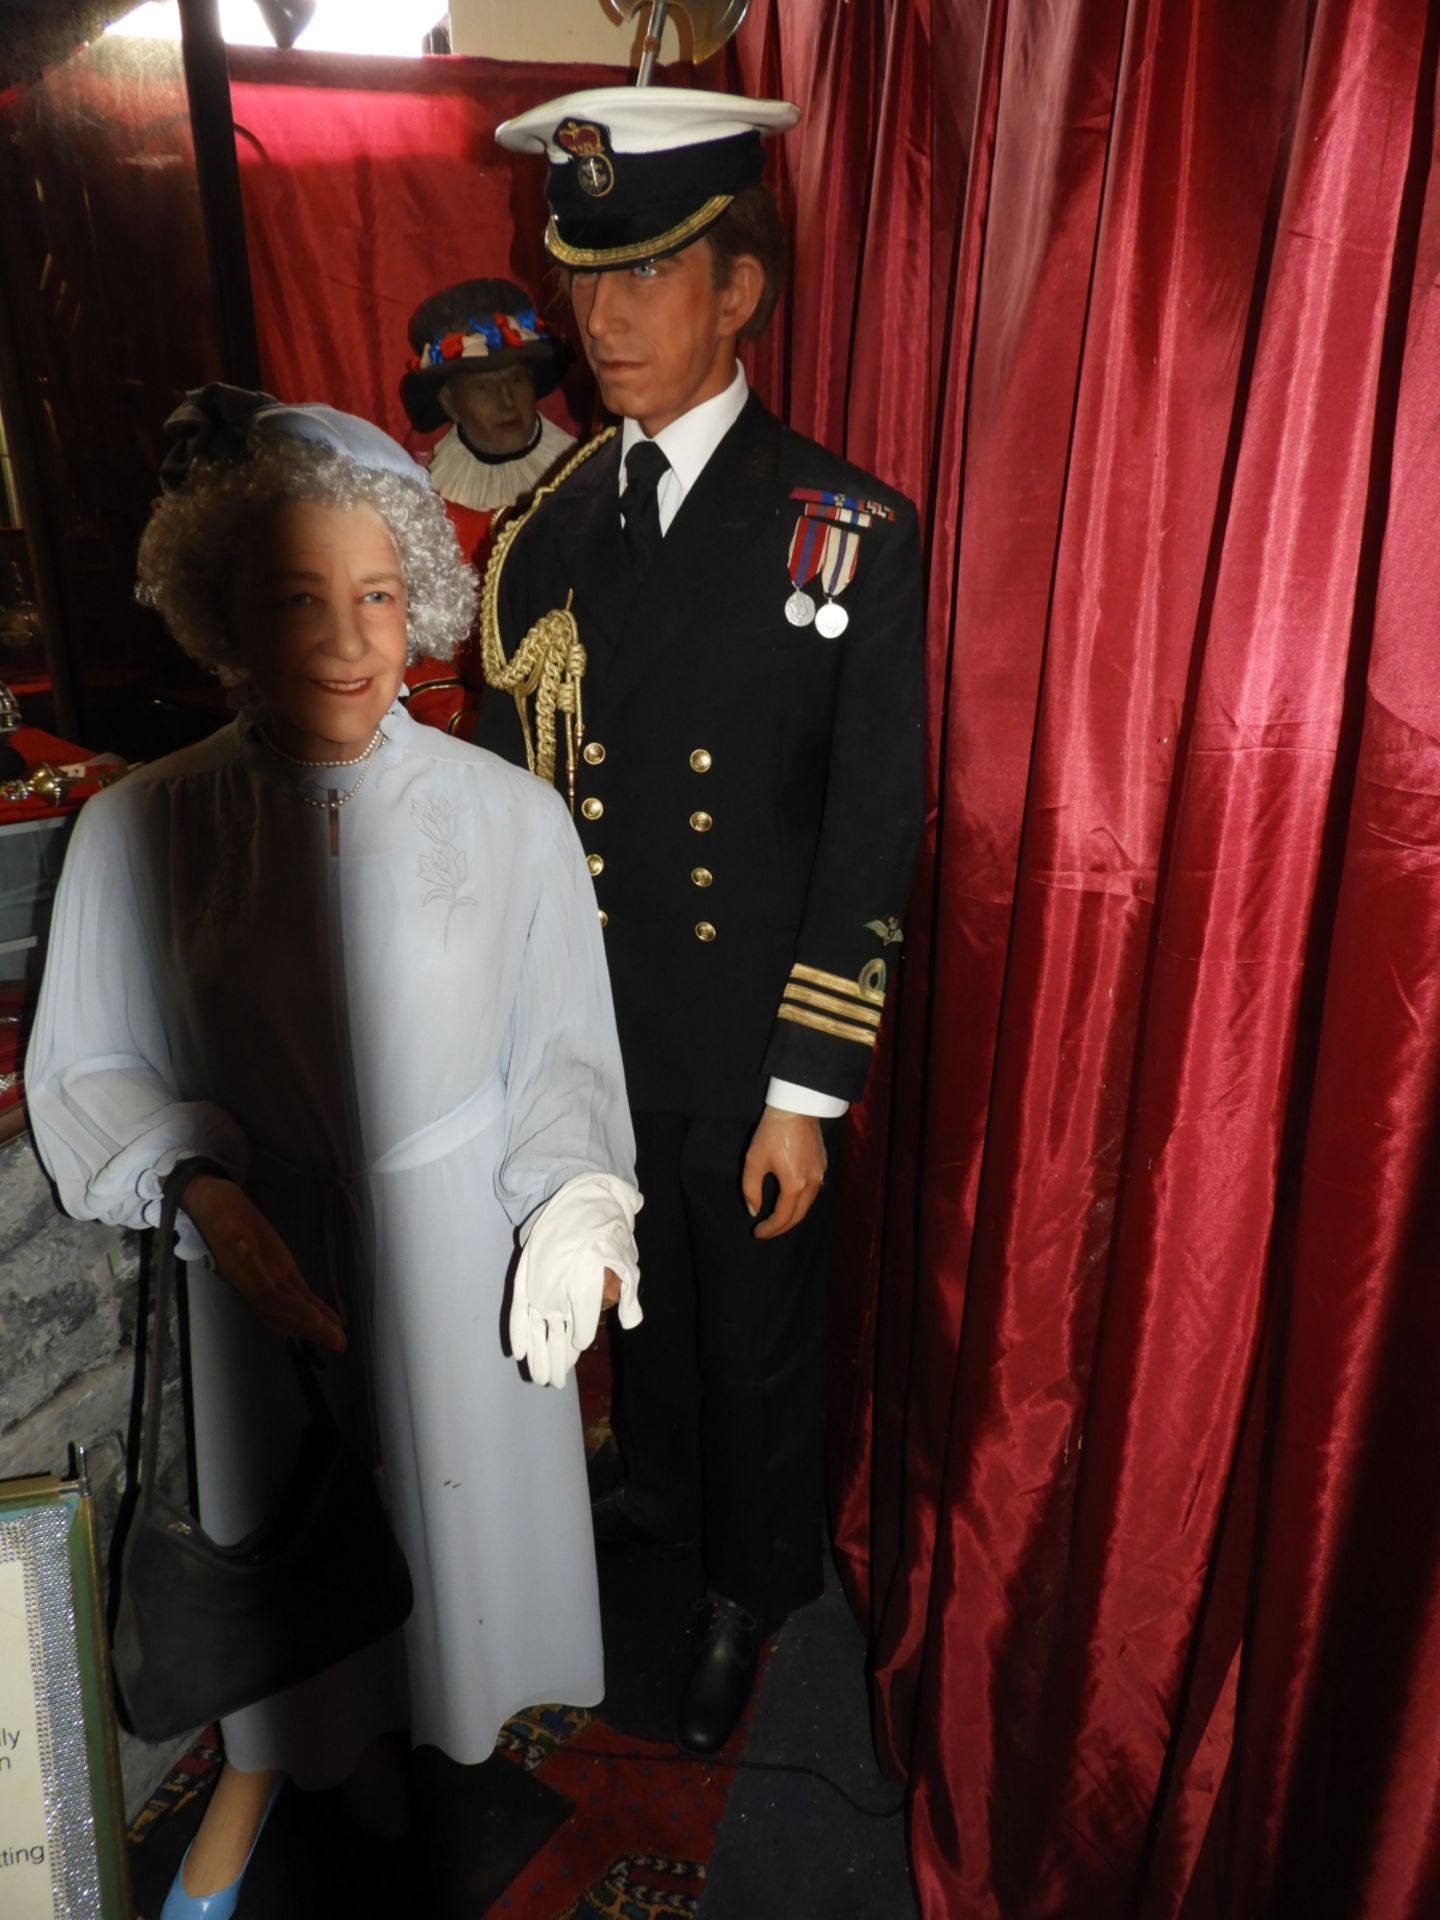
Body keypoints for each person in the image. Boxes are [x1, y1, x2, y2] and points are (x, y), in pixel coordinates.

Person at [26, 388, 641, 1917]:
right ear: (225, 611)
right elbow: (90, 1063)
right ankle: (288, 1768)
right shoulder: (137, 826)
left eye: (380, 594)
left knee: (439, 1543)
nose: (354, 639)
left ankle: (388, 1748)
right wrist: (205, 1186)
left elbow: (561, 1049)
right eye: (299, 597)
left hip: (455, 1253)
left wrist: (577, 1197)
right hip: (260, 1270)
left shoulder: (513, 820)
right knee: (285, 1552)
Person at [479, 87, 925, 1755]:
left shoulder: (846, 532)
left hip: (750, 1033)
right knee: (637, 1311)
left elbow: (869, 831)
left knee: (751, 1332)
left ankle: (760, 1579)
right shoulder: (551, 530)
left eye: (646, 274)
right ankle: (658, 1502)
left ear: (741, 289)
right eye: (583, 277)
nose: (599, 319)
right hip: (596, 1021)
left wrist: (808, 1093)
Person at [399, 278, 576, 740]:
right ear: (447, 402)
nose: (505, 401)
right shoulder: (425, 510)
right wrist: (482, 733)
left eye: (516, 379)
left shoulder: (588, 479)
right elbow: (423, 666)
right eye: (482, 387)